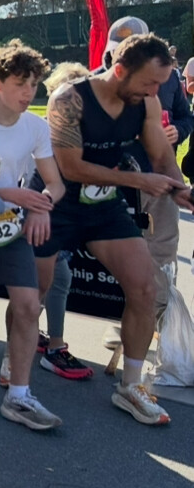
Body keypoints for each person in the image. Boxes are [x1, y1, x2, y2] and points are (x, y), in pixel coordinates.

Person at [37, 33, 192, 425]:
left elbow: (161, 157)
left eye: (161, 84)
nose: (155, 92)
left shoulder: (147, 102)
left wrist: (180, 190)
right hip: (56, 202)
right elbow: (71, 168)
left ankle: (130, 386)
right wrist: (139, 181)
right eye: (149, 83)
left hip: (102, 204)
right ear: (120, 70)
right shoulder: (69, 100)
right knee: (32, 294)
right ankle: (16, 373)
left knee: (145, 288)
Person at [0, 42, 68, 431]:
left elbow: (55, 184)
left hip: (9, 225)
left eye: (34, 84)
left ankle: (19, 396)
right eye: (20, 83)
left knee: (28, 305)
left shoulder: (37, 127)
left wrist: (41, 205)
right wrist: (7, 191)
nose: (29, 92)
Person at [101, 19, 191, 325]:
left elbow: (185, 116)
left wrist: (177, 131)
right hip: (119, 188)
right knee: (124, 259)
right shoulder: (93, 85)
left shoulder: (168, 78)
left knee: (163, 254)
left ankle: (161, 320)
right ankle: (125, 320)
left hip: (161, 181)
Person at [36, 63, 93, 378]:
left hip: (63, 215)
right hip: (43, 214)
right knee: (47, 283)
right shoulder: (47, 131)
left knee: (53, 282)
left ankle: (44, 341)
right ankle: (51, 347)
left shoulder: (86, 129)